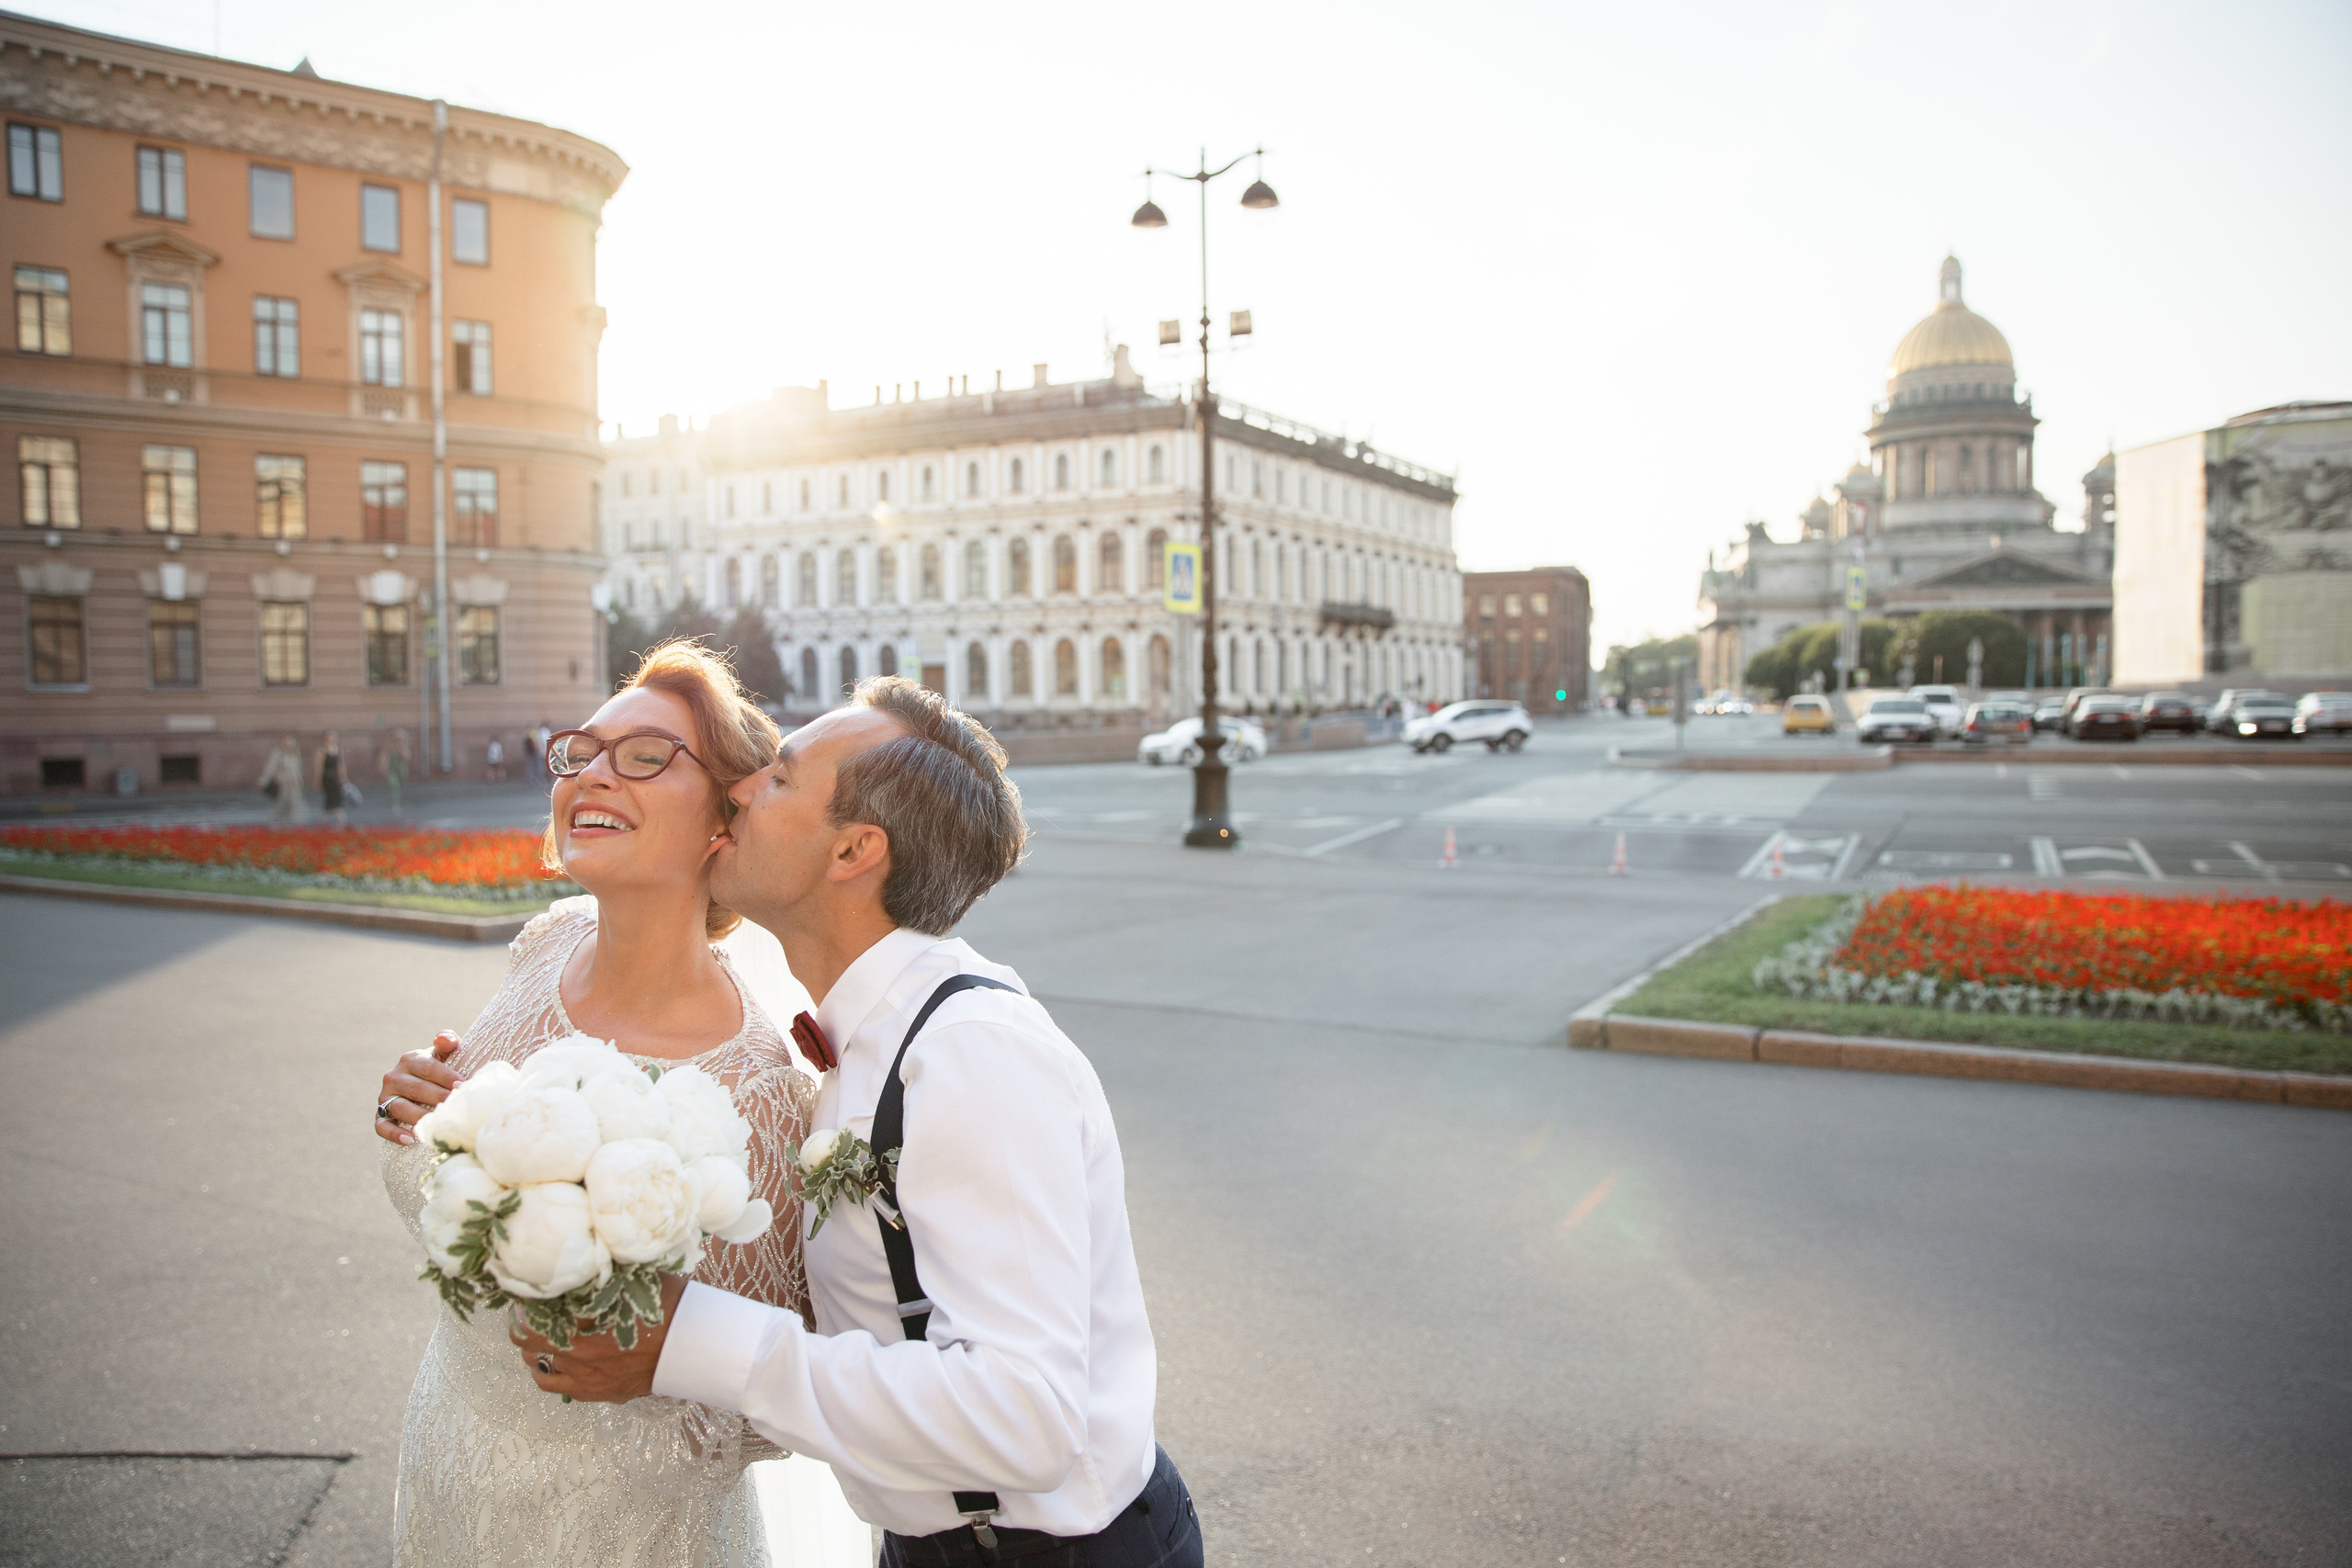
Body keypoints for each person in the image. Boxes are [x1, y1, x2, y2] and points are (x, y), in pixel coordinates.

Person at [512, 677, 1202, 1567]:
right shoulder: (865, 1037)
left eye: (780, 780)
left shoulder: (969, 1053)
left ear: (852, 852)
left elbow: (1026, 1416)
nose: (743, 788)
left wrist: (688, 1344)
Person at [371, 641, 854, 1566]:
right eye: (582, 751)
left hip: (619, 1531)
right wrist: (416, 1110)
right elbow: (457, 1169)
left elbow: (763, 1406)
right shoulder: (545, 948)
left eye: (643, 757)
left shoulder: (760, 1090)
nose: (592, 773)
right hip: (449, 1464)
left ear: (727, 817)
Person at [257, 734, 306, 823]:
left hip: (295, 786)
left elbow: (298, 771)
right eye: (287, 744)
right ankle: (273, 824)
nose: (289, 746)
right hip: (283, 785)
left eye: (291, 745)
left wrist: (300, 783)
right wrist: (263, 780)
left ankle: (295, 825)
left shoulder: (295, 755)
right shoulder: (278, 754)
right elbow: (270, 768)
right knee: (281, 806)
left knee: (296, 806)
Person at [318, 731, 348, 827]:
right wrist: (317, 780)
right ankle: (342, 822)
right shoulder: (322, 751)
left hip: (336, 779)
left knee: (334, 799)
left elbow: (341, 766)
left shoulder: (338, 750)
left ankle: (325, 822)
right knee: (332, 799)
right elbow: (319, 767)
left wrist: (344, 778)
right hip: (327, 778)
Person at [385, 728, 411, 817]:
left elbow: (407, 758)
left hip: (402, 770)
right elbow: (386, 758)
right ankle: (395, 804)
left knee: (400, 787)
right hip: (392, 770)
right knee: (395, 785)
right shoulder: (390, 747)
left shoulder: (404, 748)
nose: (398, 741)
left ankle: (397, 800)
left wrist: (402, 749)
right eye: (397, 739)